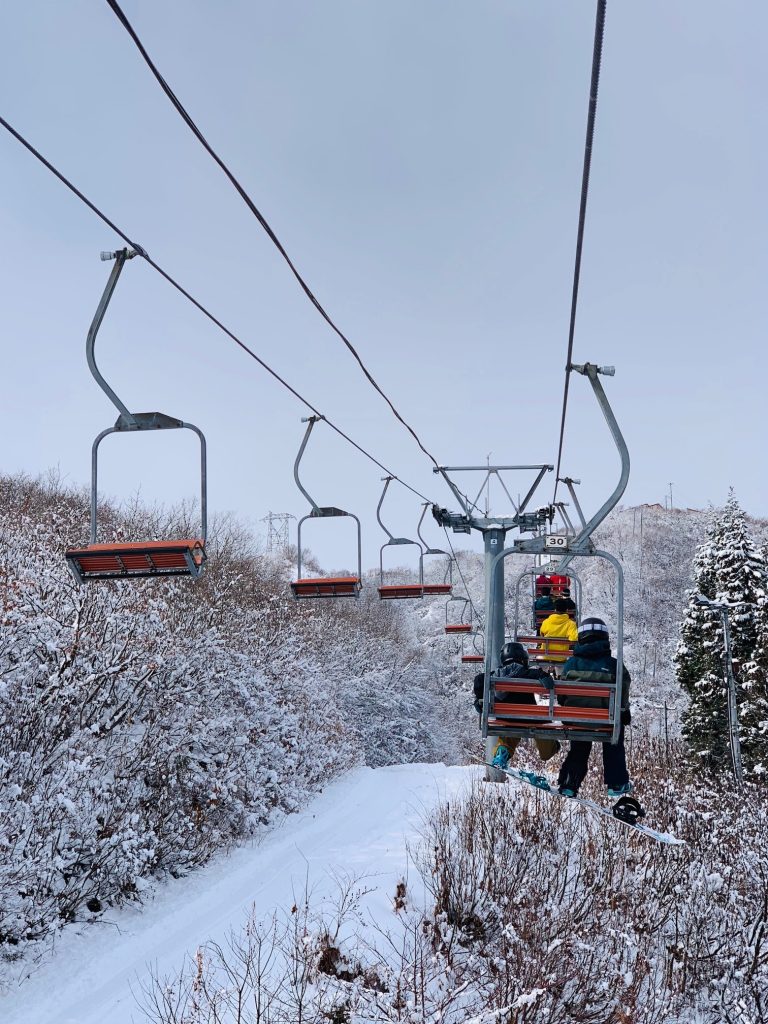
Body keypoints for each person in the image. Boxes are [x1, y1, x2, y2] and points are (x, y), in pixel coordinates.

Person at [556, 616, 632, 798]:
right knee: (615, 735)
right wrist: (624, 711)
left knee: (579, 746)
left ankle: (569, 783)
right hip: (606, 720)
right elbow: (623, 689)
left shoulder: (570, 664)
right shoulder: (613, 665)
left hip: (575, 719)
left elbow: (561, 696)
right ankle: (617, 782)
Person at [473, 641, 560, 770]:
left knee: (509, 733)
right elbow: (545, 678)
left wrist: (479, 700)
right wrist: (544, 676)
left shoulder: (494, 675)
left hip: (506, 718)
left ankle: (502, 752)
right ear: (522, 658)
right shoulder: (528, 673)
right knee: (545, 739)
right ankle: (549, 749)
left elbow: (479, 680)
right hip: (531, 718)